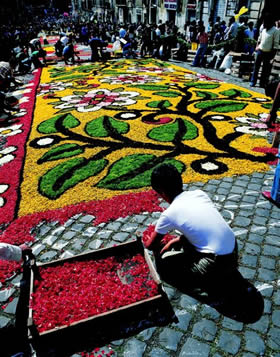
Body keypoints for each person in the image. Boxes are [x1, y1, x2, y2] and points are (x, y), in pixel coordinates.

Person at [144, 163, 238, 294]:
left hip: (217, 264)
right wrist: (176, 240)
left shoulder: (169, 213)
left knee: (165, 264)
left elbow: (150, 245)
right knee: (186, 243)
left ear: (162, 192)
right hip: (234, 250)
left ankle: (209, 281)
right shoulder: (199, 194)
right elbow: (203, 223)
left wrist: (147, 240)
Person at [250, 13, 280, 87]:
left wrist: (272, 57)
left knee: (265, 70)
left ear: (269, 22)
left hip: (268, 53)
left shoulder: (275, 31)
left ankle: (262, 83)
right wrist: (257, 47)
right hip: (260, 51)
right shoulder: (263, 29)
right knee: (256, 68)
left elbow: (276, 44)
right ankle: (253, 82)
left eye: (265, 22)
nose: (263, 23)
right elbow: (259, 39)